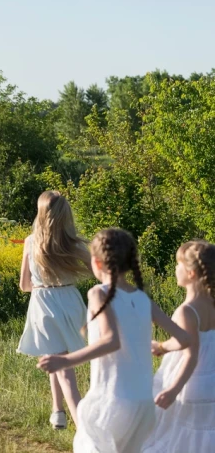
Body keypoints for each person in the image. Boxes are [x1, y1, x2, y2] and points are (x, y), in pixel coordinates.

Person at [38, 228, 191, 453]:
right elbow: (185, 338)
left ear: (97, 263)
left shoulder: (99, 293)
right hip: (143, 404)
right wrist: (161, 347)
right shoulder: (141, 298)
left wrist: (65, 361)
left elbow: (111, 341)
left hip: (112, 401)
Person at [17, 191, 92, 429]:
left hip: (44, 303)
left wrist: (42, 282)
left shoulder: (31, 242)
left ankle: (85, 432)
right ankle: (57, 411)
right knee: (54, 357)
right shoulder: (75, 243)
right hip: (71, 300)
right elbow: (99, 273)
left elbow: (24, 285)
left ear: (40, 213)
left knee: (64, 372)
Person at [143, 240, 215, 452]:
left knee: (176, 438)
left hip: (189, 384)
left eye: (178, 264)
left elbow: (191, 355)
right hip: (211, 382)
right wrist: (163, 346)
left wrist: (173, 390)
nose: (175, 269)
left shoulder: (187, 311)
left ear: (191, 273)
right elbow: (189, 340)